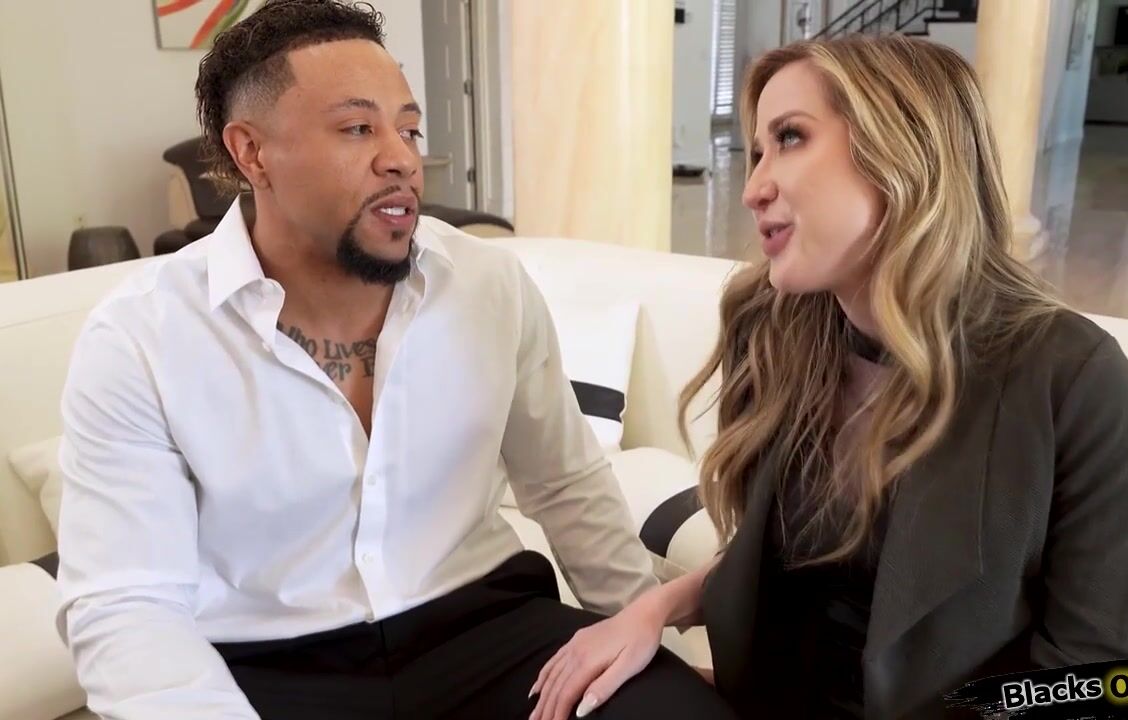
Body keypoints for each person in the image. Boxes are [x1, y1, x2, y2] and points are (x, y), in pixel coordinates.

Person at [54, 2, 736, 718]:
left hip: (491, 628)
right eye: (358, 129)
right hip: (268, 666)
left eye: (408, 129)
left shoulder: (487, 284)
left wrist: (646, 640)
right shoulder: (141, 337)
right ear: (252, 153)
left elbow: (567, 487)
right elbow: (126, 605)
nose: (402, 158)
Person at [528, 35, 1128, 720]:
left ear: (904, 148)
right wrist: (652, 611)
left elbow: (1095, 678)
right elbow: (785, 561)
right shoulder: (776, 330)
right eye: (756, 152)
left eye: (790, 138)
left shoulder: (1074, 381)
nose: (752, 188)